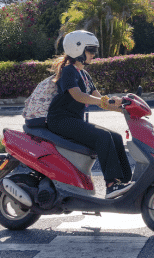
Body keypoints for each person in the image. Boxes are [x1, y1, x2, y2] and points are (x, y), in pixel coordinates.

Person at [46, 29, 133, 199]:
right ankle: (111, 185)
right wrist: (102, 101)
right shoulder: (69, 71)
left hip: (72, 121)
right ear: (77, 49)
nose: (94, 55)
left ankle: (123, 182)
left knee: (114, 136)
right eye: (91, 50)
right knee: (103, 137)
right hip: (61, 121)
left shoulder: (84, 74)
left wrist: (124, 108)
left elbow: (100, 99)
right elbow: (78, 96)